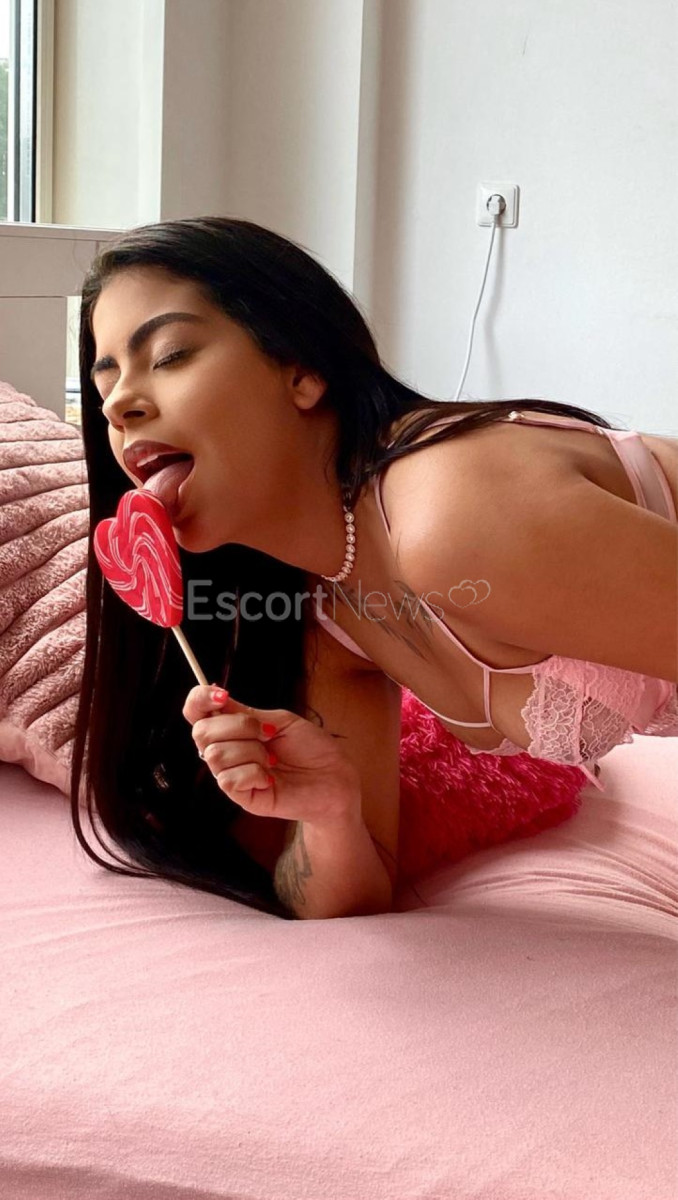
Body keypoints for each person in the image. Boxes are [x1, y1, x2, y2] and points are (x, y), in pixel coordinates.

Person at [71, 216, 678, 921]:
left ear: (302, 370)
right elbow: (350, 901)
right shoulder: (330, 607)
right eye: (105, 382)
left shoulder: (452, 519)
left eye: (170, 355)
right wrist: (329, 810)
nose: (119, 404)